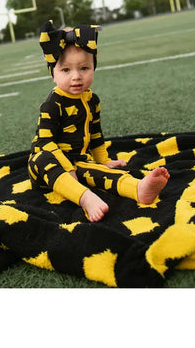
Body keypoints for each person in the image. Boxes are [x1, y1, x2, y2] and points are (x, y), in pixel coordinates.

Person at [28, 20, 170, 222]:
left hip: (78, 160)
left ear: (94, 66)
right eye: (66, 70)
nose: (76, 77)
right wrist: (67, 168)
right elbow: (44, 142)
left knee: (100, 172)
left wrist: (104, 160)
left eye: (84, 68)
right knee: (42, 159)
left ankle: (138, 189)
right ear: (53, 73)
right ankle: (85, 198)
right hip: (47, 163)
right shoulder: (53, 103)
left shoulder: (92, 100)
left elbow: (95, 134)